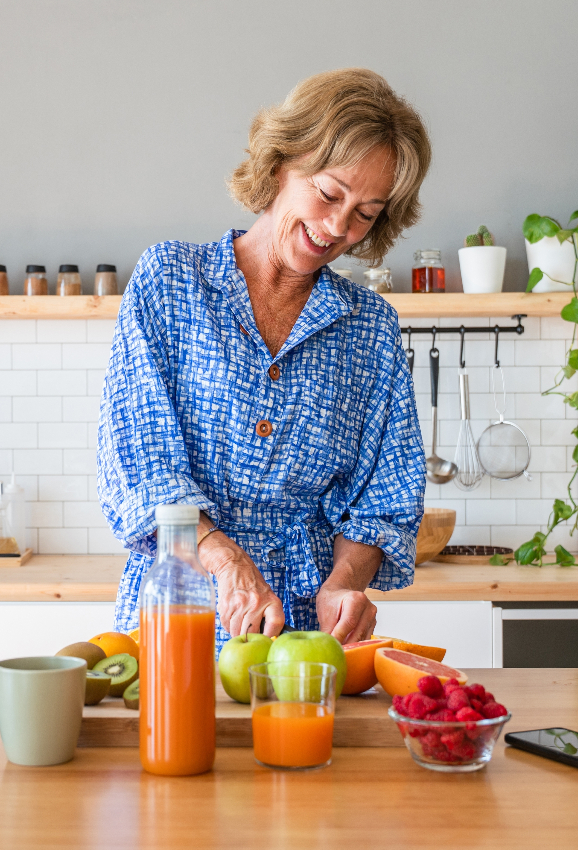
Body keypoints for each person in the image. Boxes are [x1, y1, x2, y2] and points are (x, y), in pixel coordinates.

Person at [97, 68, 431, 652]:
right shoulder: (171, 282)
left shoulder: (369, 327)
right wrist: (227, 564)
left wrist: (346, 583)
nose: (337, 228)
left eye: (366, 213)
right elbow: (140, 460)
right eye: (329, 194)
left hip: (311, 641)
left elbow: (387, 493)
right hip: (182, 614)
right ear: (282, 163)